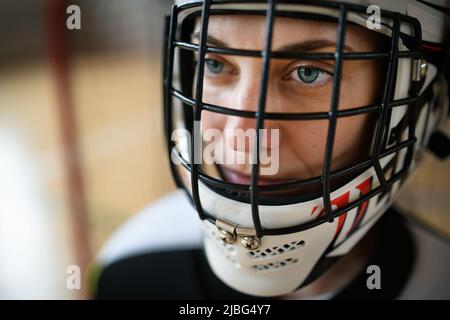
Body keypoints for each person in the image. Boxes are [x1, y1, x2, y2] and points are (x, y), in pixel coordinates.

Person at [93, 0, 450, 299]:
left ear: (411, 101)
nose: (239, 143)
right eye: (214, 63)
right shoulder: (135, 266)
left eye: (309, 73)